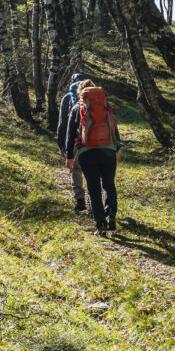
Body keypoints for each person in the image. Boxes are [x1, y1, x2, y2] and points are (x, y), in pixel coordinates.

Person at [64, 79, 121, 236]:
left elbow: (69, 134)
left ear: (81, 93)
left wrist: (69, 156)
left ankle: (100, 225)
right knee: (109, 184)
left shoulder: (77, 108)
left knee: (93, 189)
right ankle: (110, 213)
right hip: (108, 150)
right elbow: (114, 129)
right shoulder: (106, 107)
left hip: (86, 153)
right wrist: (117, 148)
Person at [56, 72, 88, 213]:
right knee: (91, 169)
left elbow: (63, 123)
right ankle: (95, 202)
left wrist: (61, 144)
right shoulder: (92, 98)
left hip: (75, 140)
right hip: (93, 140)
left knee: (76, 169)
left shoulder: (68, 98)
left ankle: (80, 200)